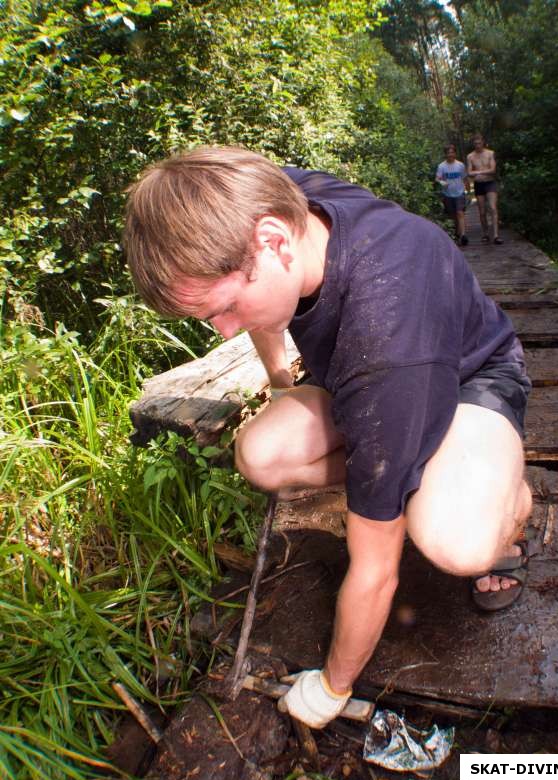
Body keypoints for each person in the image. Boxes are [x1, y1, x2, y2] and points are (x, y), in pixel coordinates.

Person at [124, 146, 536, 730]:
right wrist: (278, 382)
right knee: (262, 454)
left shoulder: (387, 345)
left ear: (272, 243)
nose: (225, 328)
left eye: (228, 307)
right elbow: (264, 315)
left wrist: (333, 686)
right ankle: (407, 468)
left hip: (470, 376)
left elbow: (375, 572)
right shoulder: (273, 200)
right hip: (378, 385)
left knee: (456, 543)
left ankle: (511, 506)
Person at [467, 133, 502, 244]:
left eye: (479, 143)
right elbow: (469, 172)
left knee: (492, 207)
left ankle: (496, 235)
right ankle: (486, 234)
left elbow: (492, 170)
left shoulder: (490, 153)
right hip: (479, 184)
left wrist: (478, 172)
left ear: (483, 142)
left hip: (490, 183)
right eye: (475, 143)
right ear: (473, 144)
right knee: (481, 211)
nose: (478, 145)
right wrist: (478, 173)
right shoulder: (470, 156)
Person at [436, 144, 469, 246]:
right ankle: (456, 234)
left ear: (455, 153)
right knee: (452, 216)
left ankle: (463, 235)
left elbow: (465, 178)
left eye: (452, 152)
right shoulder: (442, 166)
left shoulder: (460, 165)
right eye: (448, 153)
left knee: (460, 213)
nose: (450, 154)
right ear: (445, 154)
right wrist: (443, 183)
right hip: (448, 194)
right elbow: (437, 178)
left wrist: (468, 190)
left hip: (459, 193)